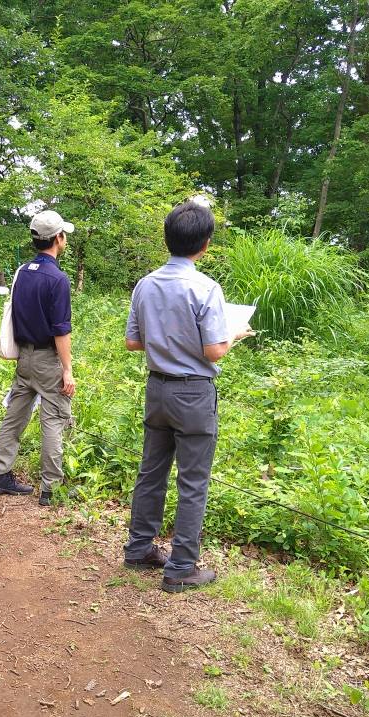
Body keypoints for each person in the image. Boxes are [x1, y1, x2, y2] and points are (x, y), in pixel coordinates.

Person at [122, 200, 252, 593]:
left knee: (151, 471)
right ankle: (180, 567)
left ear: (168, 239)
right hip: (193, 392)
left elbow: (133, 342)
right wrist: (236, 335)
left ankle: (139, 548)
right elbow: (214, 350)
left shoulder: (145, 284)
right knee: (193, 481)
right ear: (205, 244)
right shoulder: (206, 288)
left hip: (157, 388)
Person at [0, 210, 76, 507]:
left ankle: (0, 474)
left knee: (15, 415)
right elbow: (61, 331)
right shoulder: (58, 279)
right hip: (48, 359)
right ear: (58, 238)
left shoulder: (23, 271)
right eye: (64, 235)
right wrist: (67, 370)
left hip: (24, 358)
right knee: (53, 419)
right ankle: (51, 488)